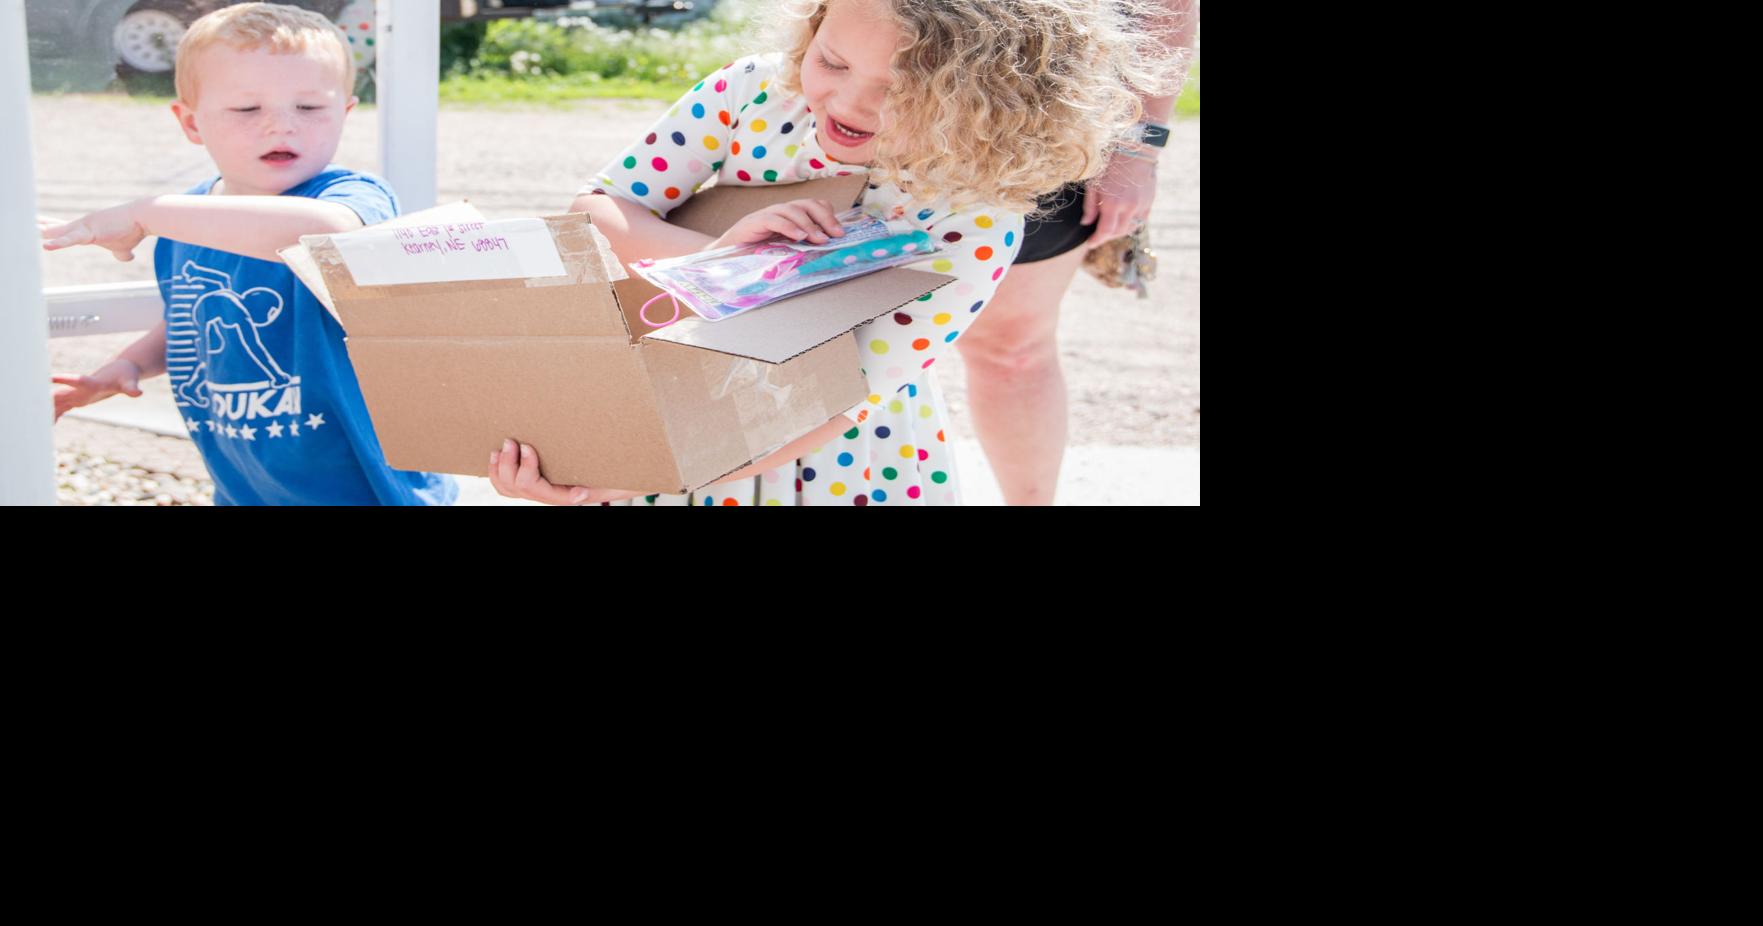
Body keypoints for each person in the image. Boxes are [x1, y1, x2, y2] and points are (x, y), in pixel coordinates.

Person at [489, 0, 1182, 506]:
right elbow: (597, 210)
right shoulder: (752, 93)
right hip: (667, 413)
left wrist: (647, 474)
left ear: (989, 100)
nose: (849, 102)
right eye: (832, 61)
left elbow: (838, 404)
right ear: (814, 25)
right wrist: (723, 261)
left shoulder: (975, 217)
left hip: (822, 462)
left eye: (898, 91)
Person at [41, 2, 456, 506]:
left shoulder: (350, 196)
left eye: (309, 108)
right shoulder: (187, 218)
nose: (281, 126)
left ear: (344, 115)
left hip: (366, 490)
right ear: (191, 123)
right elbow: (190, 319)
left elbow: (329, 236)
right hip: (247, 488)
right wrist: (128, 365)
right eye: (247, 109)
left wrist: (148, 213)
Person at [953, 0, 1197, 505]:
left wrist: (1137, 146)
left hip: (1042, 102)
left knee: (1012, 350)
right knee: (844, 331)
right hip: (866, 91)